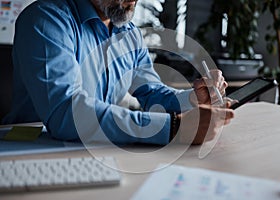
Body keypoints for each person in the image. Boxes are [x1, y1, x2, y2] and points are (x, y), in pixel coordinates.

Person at [2, 0, 234, 145]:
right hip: (32, 145)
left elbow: (151, 91)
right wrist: (173, 128)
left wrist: (192, 99)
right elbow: (66, 114)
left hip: (96, 144)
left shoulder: (130, 33)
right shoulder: (46, 19)